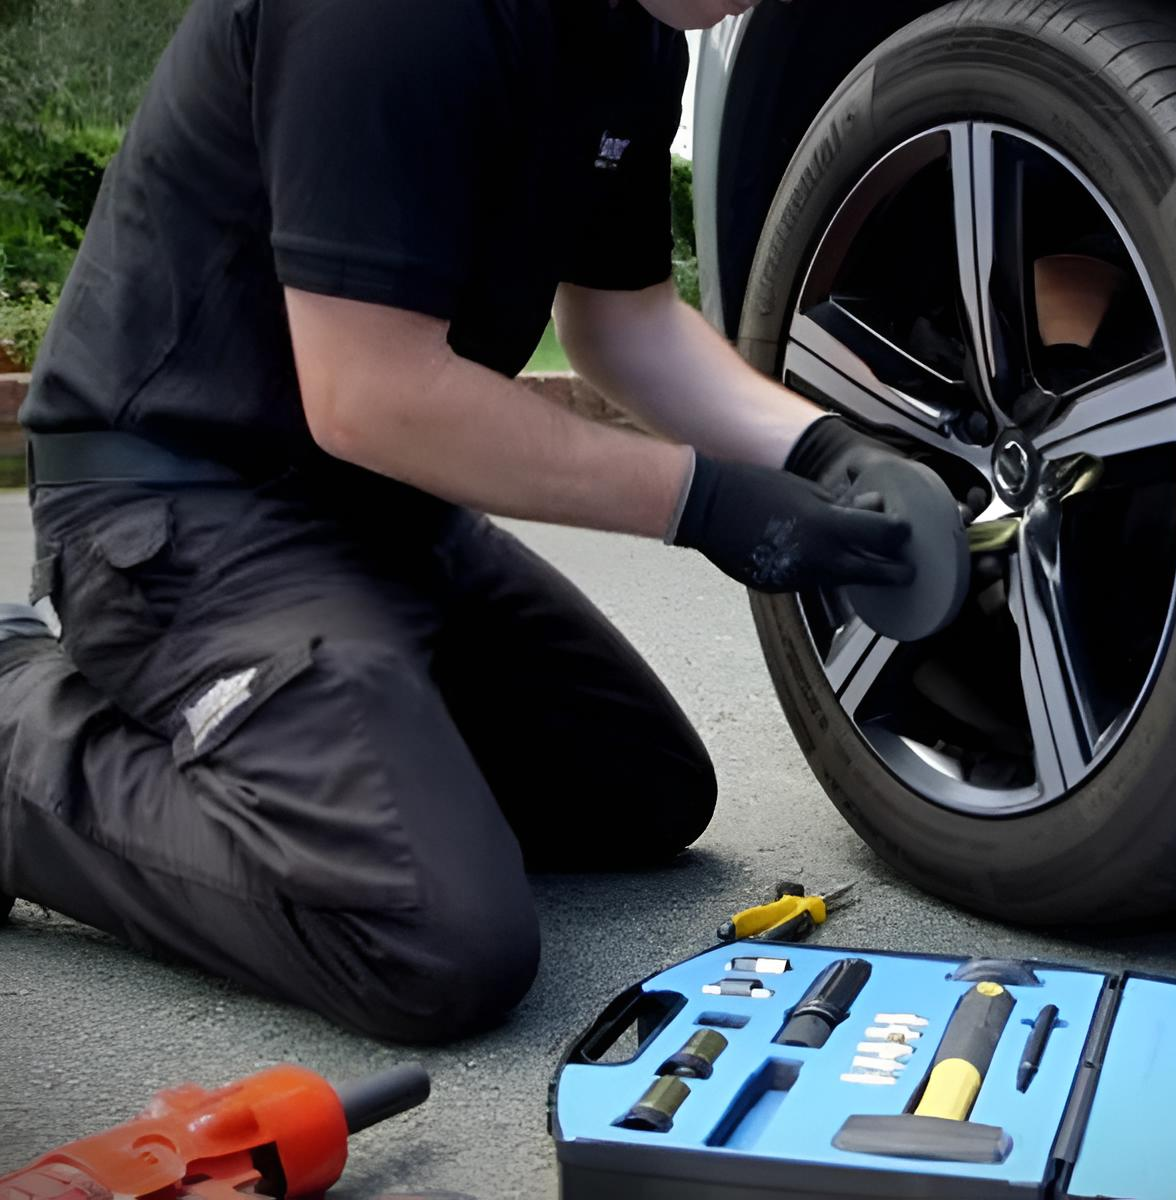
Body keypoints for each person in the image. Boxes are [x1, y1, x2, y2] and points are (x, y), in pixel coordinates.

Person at [0, 0, 915, 1042]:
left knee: (641, 792)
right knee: (432, 942)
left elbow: (628, 325)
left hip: (382, 509)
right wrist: (700, 501)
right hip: (187, 509)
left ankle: (331, 737)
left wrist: (824, 449)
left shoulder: (639, 37)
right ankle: (17, 732)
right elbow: (368, 393)